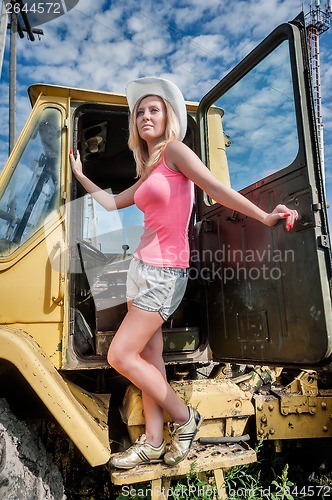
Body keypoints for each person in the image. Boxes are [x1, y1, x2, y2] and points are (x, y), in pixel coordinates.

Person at [69, 77, 298, 470]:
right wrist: (80, 174)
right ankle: (154, 441)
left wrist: (263, 215)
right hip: (139, 268)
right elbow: (110, 203)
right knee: (150, 356)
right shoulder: (149, 169)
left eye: (153, 109)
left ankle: (184, 417)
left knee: (120, 354)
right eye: (140, 111)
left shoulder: (175, 152)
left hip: (164, 272)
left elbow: (215, 188)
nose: (145, 115)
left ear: (168, 117)